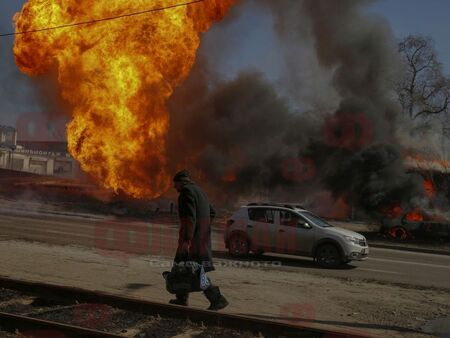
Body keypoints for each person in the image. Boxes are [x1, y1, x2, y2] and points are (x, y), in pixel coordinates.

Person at [170, 170, 229, 311]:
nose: (174, 187)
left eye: (175, 184)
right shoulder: (200, 191)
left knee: (193, 271)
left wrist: (187, 240)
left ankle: (217, 299)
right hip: (201, 239)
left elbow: (190, 219)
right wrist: (204, 229)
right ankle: (181, 298)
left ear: (181, 182)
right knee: (182, 268)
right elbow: (212, 212)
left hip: (191, 241)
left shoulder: (186, 192)